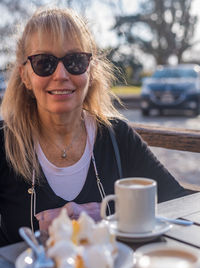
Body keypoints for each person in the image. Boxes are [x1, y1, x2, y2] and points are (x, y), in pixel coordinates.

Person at [0, 7, 188, 246]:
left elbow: (179, 204)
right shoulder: (3, 143)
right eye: (44, 62)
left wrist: (112, 221)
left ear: (91, 70)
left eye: (75, 61)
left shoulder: (117, 137)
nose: (60, 74)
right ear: (25, 75)